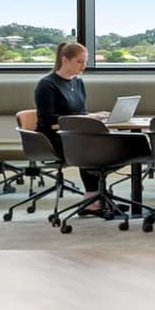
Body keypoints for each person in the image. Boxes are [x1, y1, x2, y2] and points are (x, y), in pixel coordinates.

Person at [33, 40, 110, 212]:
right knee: (92, 148)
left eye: (85, 62)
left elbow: (81, 112)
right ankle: (92, 200)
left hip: (76, 134)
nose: (83, 66)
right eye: (79, 62)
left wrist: (95, 116)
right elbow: (46, 119)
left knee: (109, 144)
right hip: (54, 138)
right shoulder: (46, 85)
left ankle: (99, 198)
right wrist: (86, 117)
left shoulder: (78, 82)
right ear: (65, 60)